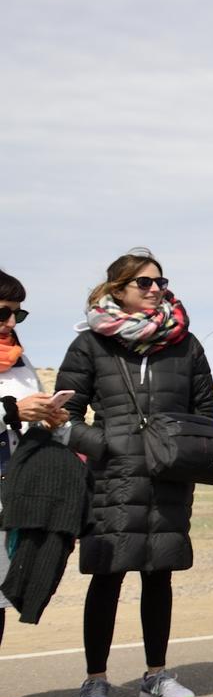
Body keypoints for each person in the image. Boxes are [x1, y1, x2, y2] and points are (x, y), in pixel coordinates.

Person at [55, 250, 213, 697]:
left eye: (159, 282)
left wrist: (182, 454)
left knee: (159, 574)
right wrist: (105, 445)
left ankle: (156, 675)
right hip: (111, 477)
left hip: (168, 479)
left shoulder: (185, 344)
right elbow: (65, 413)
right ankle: (95, 681)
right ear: (117, 290)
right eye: (143, 283)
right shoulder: (90, 345)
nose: (154, 289)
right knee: (106, 576)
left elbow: (205, 411)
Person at [0, 268, 75, 648]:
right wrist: (10, 413)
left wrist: (50, 419)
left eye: (18, 314)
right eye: (3, 312)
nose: (11, 322)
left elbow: (27, 419)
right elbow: (11, 413)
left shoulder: (19, 362)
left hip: (12, 492)